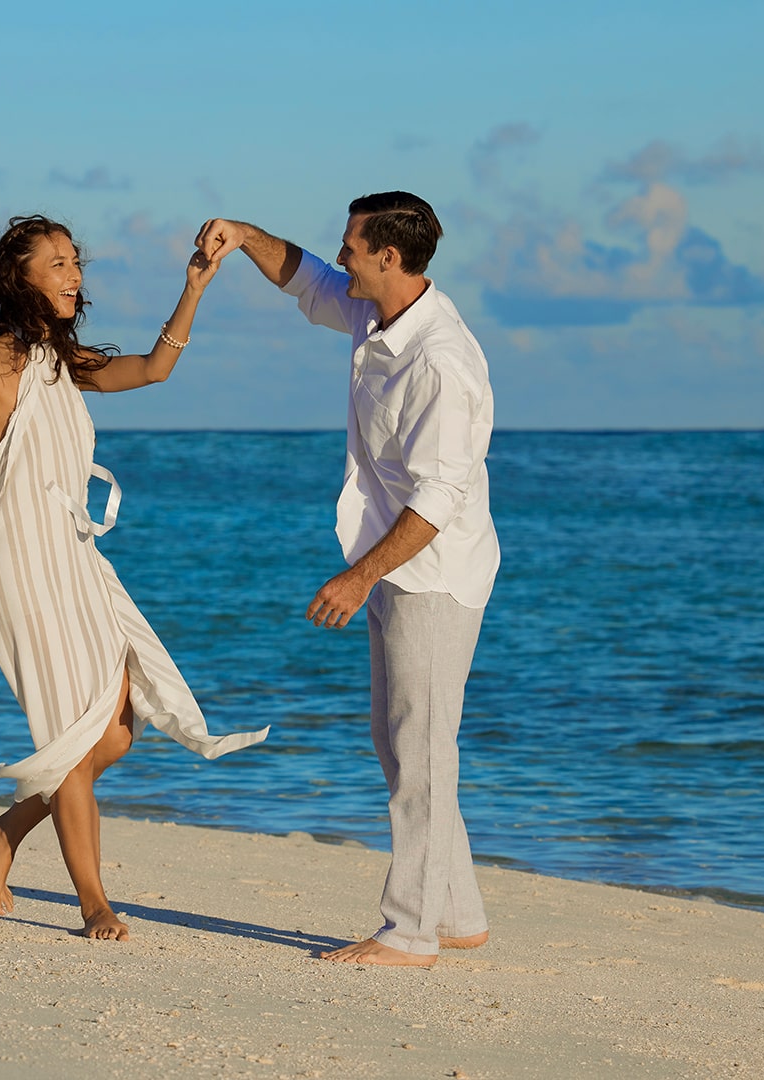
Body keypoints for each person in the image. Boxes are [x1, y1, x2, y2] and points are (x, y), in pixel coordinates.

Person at [0, 215, 268, 941]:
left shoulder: (63, 361)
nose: (72, 274)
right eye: (55, 263)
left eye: (74, 261)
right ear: (18, 278)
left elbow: (152, 368)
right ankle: (95, 904)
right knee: (72, 733)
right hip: (23, 561)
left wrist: (194, 289)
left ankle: (7, 829)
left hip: (76, 554)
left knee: (116, 728)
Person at [197, 193, 499, 967]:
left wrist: (358, 576)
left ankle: (411, 933)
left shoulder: (442, 361)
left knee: (421, 750)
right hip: (393, 557)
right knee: (401, 744)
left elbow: (438, 500)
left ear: (390, 259)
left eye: (354, 247)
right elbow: (305, 280)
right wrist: (243, 236)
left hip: (432, 570)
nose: (345, 258)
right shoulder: (378, 313)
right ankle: (458, 912)